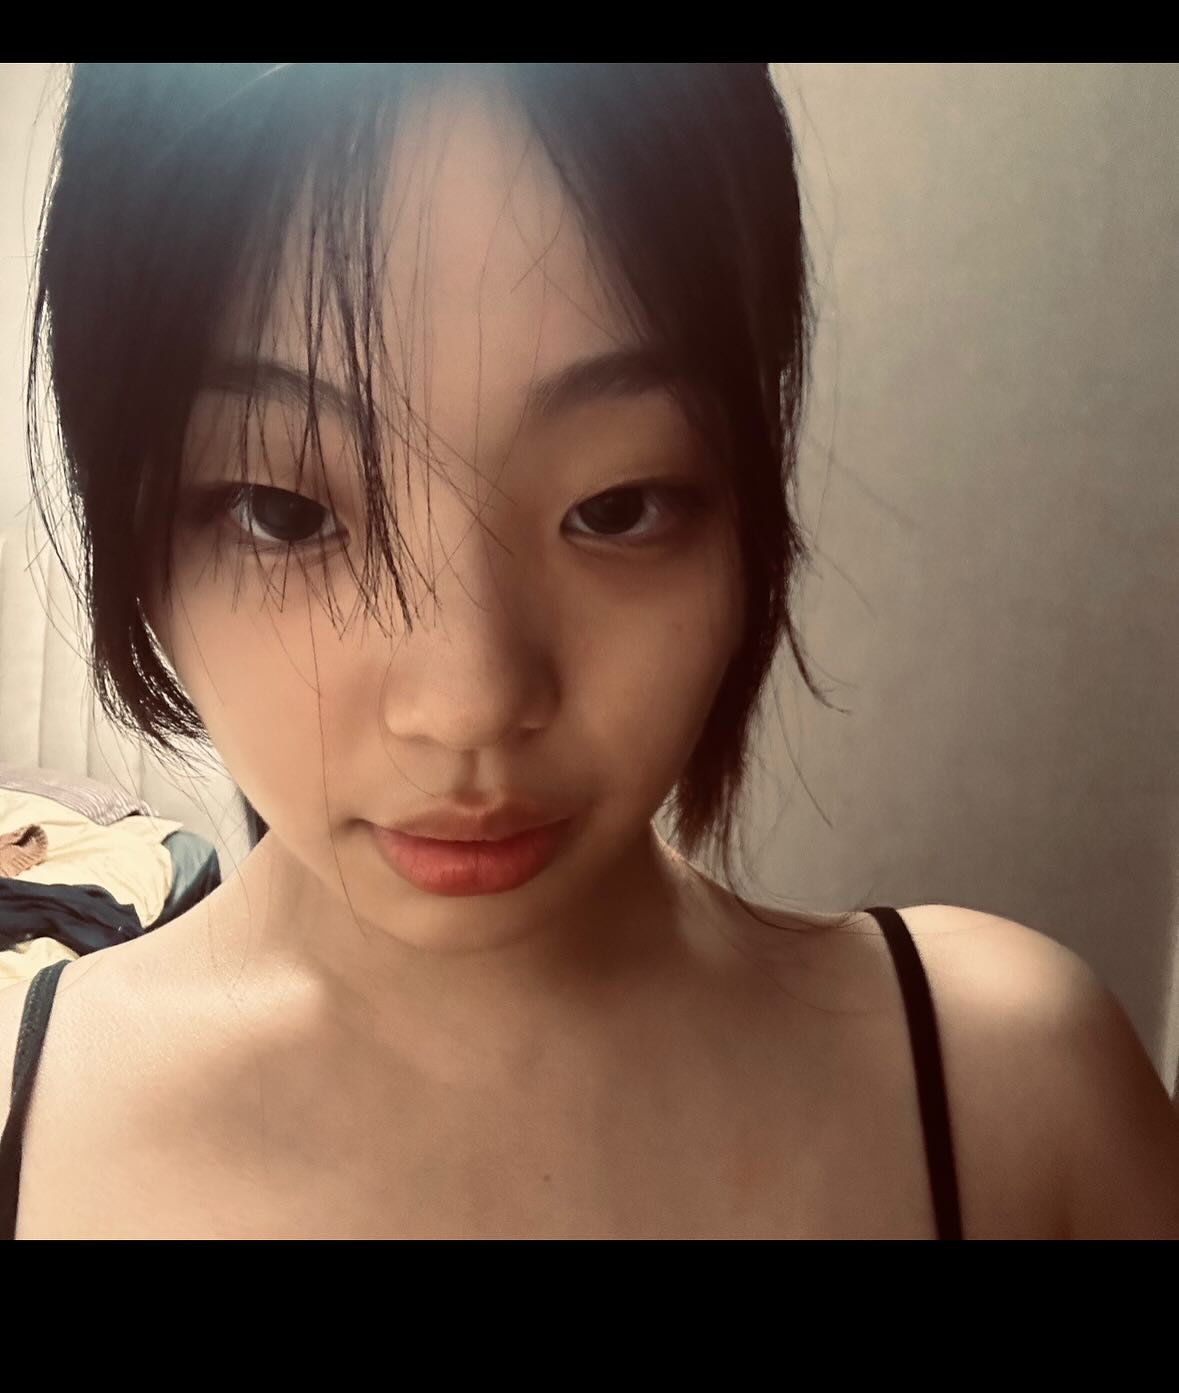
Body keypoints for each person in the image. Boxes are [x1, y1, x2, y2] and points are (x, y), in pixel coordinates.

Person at [2, 62, 1176, 1239]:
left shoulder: (1014, 1099)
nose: (470, 700)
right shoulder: (24, 1117)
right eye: (284, 513)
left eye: (617, 507)